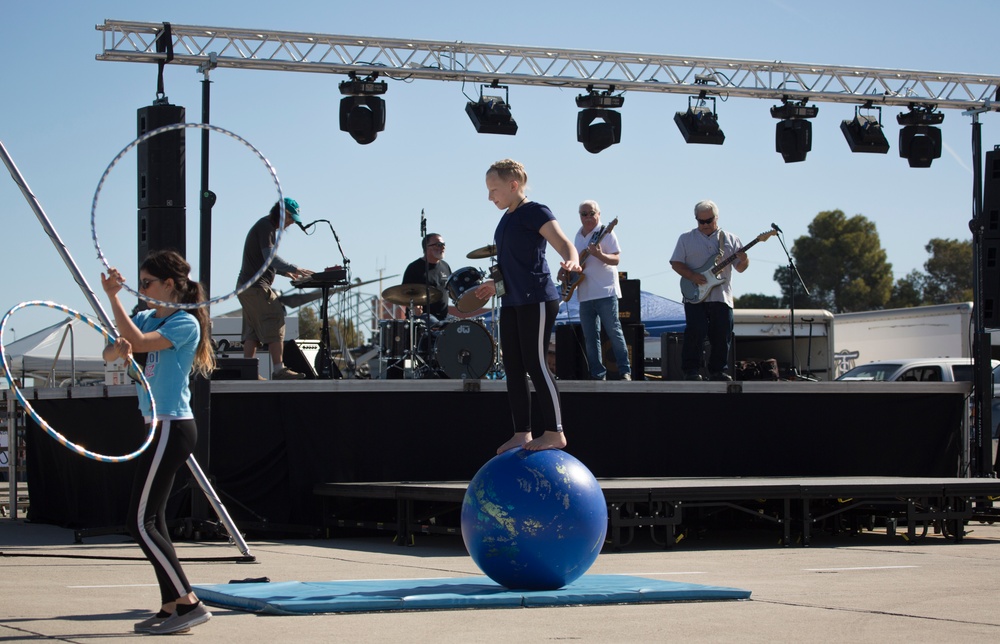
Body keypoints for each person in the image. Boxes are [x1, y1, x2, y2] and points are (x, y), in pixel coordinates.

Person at [100, 250, 214, 635]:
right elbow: (111, 351)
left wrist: (113, 297)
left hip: (173, 425)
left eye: (146, 283)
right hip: (154, 425)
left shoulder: (185, 324)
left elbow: (137, 340)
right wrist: (120, 348)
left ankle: (190, 601)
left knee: (139, 521)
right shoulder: (147, 317)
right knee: (154, 519)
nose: (141, 289)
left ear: (169, 285)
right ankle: (170, 607)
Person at [473, 159, 581, 453]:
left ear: (513, 185)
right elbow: (512, 266)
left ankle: (555, 431)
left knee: (536, 363)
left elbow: (564, 244)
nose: (490, 197)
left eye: (494, 190)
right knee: (514, 366)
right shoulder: (505, 219)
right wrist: (492, 286)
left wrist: (573, 260)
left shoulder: (536, 211)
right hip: (512, 301)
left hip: (538, 299)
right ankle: (522, 432)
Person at [669, 200, 748, 381]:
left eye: (709, 220)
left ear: (716, 218)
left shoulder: (730, 239)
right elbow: (676, 263)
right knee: (695, 331)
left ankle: (718, 370)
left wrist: (744, 259)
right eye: (700, 221)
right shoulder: (686, 238)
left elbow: (741, 268)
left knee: (722, 333)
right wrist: (692, 276)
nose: (705, 225)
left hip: (721, 296)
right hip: (695, 294)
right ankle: (691, 370)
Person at [236, 197, 314, 379]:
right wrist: (295, 268)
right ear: (282, 213)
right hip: (256, 287)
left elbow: (262, 260)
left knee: (252, 329)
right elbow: (269, 257)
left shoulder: (264, 226)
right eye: (291, 219)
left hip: (245, 287)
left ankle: (249, 372)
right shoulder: (266, 227)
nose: (291, 223)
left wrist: (285, 273)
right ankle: (279, 369)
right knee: (276, 317)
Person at [572, 200, 631, 381]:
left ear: (599, 214)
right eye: (584, 214)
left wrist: (599, 255)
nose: (588, 217)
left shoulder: (606, 233)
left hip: (605, 291)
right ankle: (597, 374)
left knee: (614, 331)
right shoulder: (578, 235)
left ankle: (624, 370)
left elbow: (616, 259)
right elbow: (576, 260)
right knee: (590, 337)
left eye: (591, 213)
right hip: (585, 293)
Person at [401, 233, 451, 324]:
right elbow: (403, 295)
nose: (443, 247)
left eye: (444, 244)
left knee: (462, 326)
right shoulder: (414, 268)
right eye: (439, 245)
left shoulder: (445, 266)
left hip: (444, 316)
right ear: (427, 247)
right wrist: (413, 307)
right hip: (422, 317)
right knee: (439, 326)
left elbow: (451, 290)